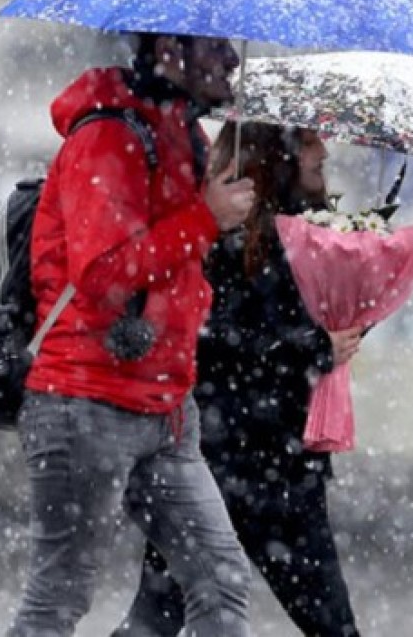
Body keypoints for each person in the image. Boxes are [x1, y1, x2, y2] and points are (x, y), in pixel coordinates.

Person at [8, 33, 258, 637]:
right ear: (169, 49)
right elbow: (102, 273)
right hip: (85, 401)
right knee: (58, 601)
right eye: (215, 47)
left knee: (222, 584)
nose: (232, 60)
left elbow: (182, 265)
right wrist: (206, 218)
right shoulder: (110, 136)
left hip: (167, 408)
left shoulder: (183, 137)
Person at [115, 121, 365, 637]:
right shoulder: (224, 237)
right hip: (222, 459)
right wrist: (313, 347)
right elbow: (213, 342)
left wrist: (348, 322)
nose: (324, 149)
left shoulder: (314, 236)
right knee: (157, 618)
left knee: (330, 625)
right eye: (310, 138)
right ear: (277, 155)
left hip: (282, 465)